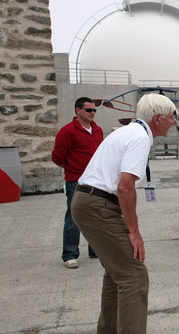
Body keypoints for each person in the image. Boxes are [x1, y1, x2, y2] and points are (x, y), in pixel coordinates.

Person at [70, 93, 177, 334]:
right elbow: (125, 186)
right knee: (134, 276)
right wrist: (134, 231)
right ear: (158, 118)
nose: (174, 122)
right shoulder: (140, 137)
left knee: (117, 272)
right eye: (171, 117)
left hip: (88, 201)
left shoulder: (127, 131)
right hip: (98, 205)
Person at [51, 96, 103, 269]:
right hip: (76, 181)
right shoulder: (67, 131)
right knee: (74, 217)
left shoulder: (98, 130)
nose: (92, 113)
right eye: (89, 110)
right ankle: (70, 254)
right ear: (78, 110)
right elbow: (58, 157)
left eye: (94, 110)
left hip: (95, 180)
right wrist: (73, 168)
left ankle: (95, 249)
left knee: (95, 215)